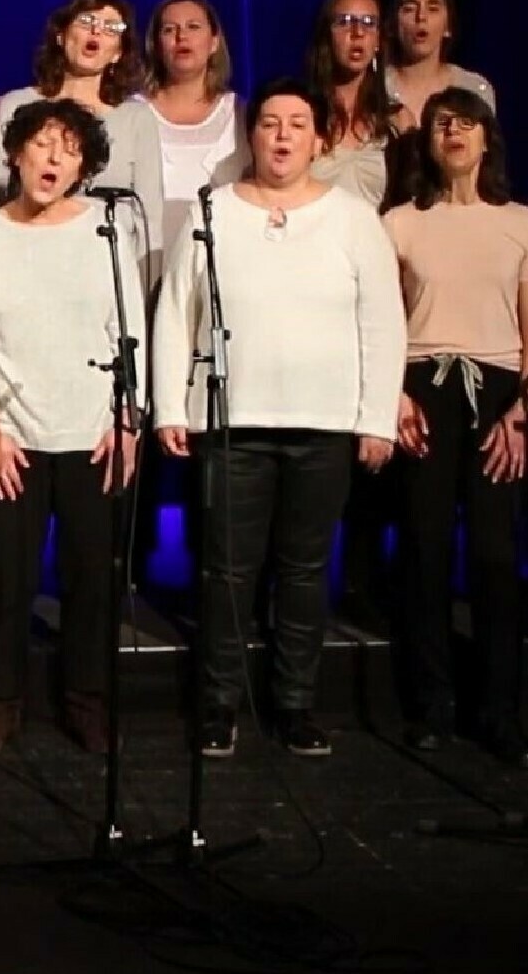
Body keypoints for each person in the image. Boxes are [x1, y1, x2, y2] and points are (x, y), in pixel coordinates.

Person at [153, 78, 404, 758]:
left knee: (301, 569)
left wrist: (375, 415)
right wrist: (170, 404)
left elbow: (381, 321)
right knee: (226, 570)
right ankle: (219, 703)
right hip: (233, 420)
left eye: (297, 123)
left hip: (322, 422)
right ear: (251, 135)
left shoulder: (352, 217)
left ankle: (293, 703)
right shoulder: (214, 208)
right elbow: (177, 311)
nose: (283, 135)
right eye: (269, 123)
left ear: (318, 138)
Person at [0, 100, 142, 758]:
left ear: (84, 165)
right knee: (5, 578)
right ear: (14, 153)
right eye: (41, 144)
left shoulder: (108, 228)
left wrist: (127, 420)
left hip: (92, 429)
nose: (53, 158)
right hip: (11, 436)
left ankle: (85, 701)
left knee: (91, 579)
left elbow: (130, 330)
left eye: (68, 148)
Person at [384, 89, 528, 767]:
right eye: (441, 122)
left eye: (466, 121)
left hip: (500, 391)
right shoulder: (401, 222)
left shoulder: (519, 222)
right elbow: (380, 323)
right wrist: (392, 397)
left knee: (497, 557)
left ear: (486, 137)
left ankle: (497, 707)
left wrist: (522, 411)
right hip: (423, 385)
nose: (453, 131)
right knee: (423, 549)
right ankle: (431, 703)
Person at [0, 0, 166, 281]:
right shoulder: (18, 105)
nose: (96, 31)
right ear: (61, 35)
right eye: (87, 20)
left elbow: (149, 220)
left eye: (111, 28)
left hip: (105, 271)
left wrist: (145, 297)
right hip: (27, 265)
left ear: (118, 52)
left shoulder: (136, 119)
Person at [144, 0, 247, 250]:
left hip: (222, 252)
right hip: (148, 257)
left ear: (214, 42)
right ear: (157, 45)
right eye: (170, 29)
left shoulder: (241, 113)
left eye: (193, 27)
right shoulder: (132, 113)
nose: (182, 37)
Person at [304, 0, 395, 208]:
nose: (358, 32)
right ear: (327, 35)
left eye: (368, 23)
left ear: (378, 41)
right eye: (344, 21)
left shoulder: (393, 120)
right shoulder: (302, 112)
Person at [386, 0, 495, 128]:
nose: (421, 17)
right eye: (409, 9)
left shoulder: (472, 88)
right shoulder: (375, 87)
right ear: (392, 26)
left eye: (433, 9)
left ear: (448, 27)